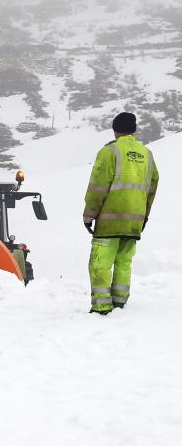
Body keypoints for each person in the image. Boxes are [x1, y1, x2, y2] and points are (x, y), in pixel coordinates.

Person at [82, 112, 159, 315]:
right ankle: (119, 302)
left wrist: (89, 215)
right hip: (134, 221)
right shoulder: (147, 154)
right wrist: (145, 215)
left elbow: (97, 187)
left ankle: (101, 306)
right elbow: (152, 187)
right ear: (133, 130)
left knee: (100, 263)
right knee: (124, 261)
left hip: (109, 221)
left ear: (115, 130)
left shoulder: (110, 152)